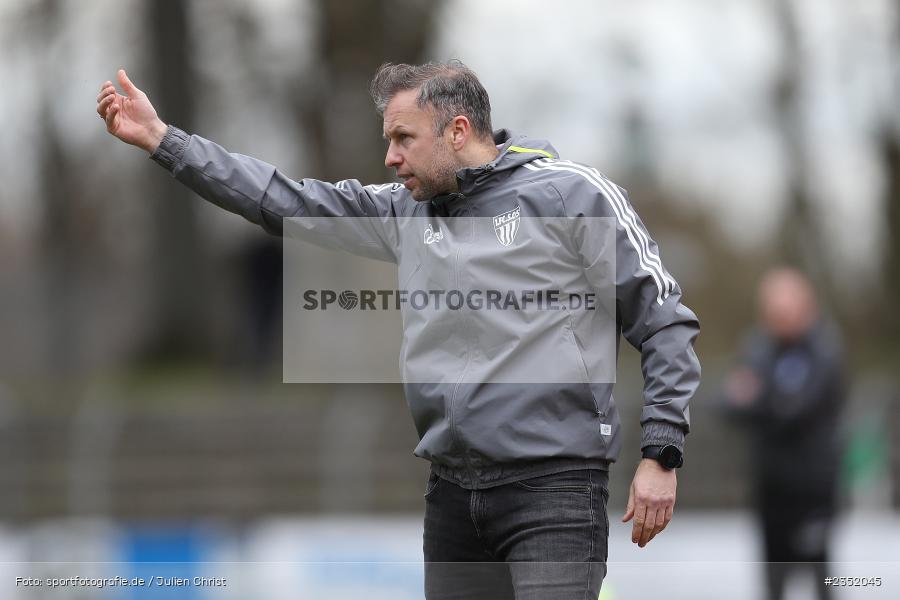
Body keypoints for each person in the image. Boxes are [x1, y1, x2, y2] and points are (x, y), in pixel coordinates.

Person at [97, 61, 701, 598]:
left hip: (554, 492)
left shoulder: (573, 196)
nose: (389, 157)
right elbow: (281, 199)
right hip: (452, 495)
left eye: (403, 139)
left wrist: (661, 452)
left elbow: (666, 323)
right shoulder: (402, 210)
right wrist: (163, 141)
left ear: (457, 131)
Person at [722, 267, 845, 600]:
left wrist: (758, 398)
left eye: (785, 309)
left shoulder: (824, 350)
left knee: (822, 578)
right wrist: (762, 400)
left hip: (813, 490)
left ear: (805, 306)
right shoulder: (757, 347)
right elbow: (728, 404)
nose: (778, 317)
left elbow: (797, 409)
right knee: (773, 582)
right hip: (770, 487)